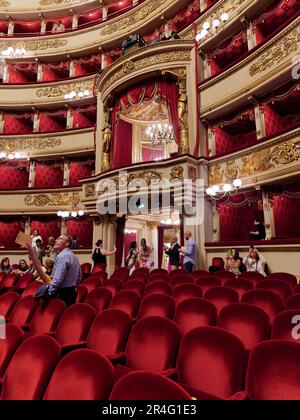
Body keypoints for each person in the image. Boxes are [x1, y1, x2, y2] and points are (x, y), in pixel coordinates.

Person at [26, 234, 82, 306]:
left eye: (60, 239)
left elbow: (57, 281)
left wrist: (48, 293)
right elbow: (79, 277)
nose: (56, 240)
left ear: (67, 243)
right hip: (72, 293)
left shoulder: (62, 256)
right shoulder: (74, 256)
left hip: (62, 294)